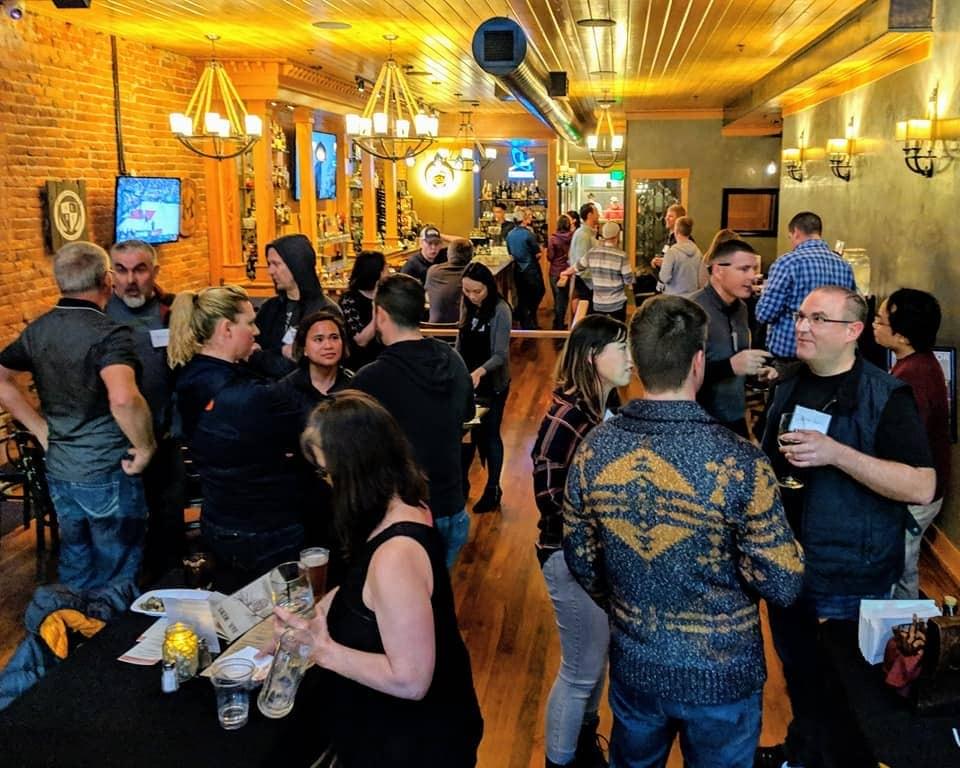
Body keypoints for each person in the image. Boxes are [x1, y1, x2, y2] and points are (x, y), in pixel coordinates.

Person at [565, 294, 804, 768]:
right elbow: (783, 582)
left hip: (636, 663)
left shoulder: (594, 449)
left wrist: (632, 599)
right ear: (698, 363)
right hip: (723, 673)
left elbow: (582, 559)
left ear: (638, 362)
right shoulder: (741, 462)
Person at [758, 286, 936, 768]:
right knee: (799, 674)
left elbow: (921, 485)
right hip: (787, 567)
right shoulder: (788, 384)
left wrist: (837, 454)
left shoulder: (886, 396)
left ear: (853, 331)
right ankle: (803, 751)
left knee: (846, 691)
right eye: (801, 316)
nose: (802, 326)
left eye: (818, 319)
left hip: (849, 572)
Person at [275, 391, 483, 766]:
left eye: (328, 472)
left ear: (356, 468)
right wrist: (320, 612)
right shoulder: (402, 505)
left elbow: (411, 680)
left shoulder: (395, 555)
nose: (327, 482)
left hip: (416, 746)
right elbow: (365, 590)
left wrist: (322, 650)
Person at [0, 241, 155, 590]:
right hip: (107, 468)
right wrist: (145, 447)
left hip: (60, 469)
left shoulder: (38, 330)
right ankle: (105, 625)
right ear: (107, 280)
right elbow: (123, 398)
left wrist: (40, 428)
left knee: (76, 562)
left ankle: (72, 621)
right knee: (115, 570)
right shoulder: (109, 334)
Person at [532, 315, 633, 768]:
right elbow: (548, 494)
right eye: (621, 348)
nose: (630, 358)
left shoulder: (603, 412)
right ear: (593, 357)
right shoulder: (569, 415)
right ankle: (561, 759)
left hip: (594, 558)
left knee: (594, 664)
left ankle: (584, 745)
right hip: (569, 556)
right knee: (579, 672)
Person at [169, 285, 310, 578]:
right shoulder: (249, 394)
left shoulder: (188, 377)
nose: (256, 331)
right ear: (226, 329)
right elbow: (302, 419)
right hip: (265, 528)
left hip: (218, 517)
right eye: (250, 322)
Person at [351, 274, 474, 567]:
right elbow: (467, 415)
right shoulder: (452, 359)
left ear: (380, 314)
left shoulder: (370, 379)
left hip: (402, 516)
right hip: (453, 505)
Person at [106, 239, 185, 580]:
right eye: (121, 270)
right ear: (110, 275)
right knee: (124, 532)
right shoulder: (100, 317)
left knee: (169, 528)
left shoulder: (173, 312)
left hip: (165, 441)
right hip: (117, 447)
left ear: (155, 271)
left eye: (139, 270)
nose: (130, 280)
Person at [873, 288, 950, 599]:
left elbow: (900, 443)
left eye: (880, 321)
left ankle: (903, 621)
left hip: (917, 492)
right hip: (922, 487)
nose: (873, 325)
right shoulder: (916, 363)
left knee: (899, 565)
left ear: (902, 336)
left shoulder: (913, 377)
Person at [689, 239, 773, 438]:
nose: (752, 276)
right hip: (700, 423)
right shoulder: (691, 310)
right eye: (744, 269)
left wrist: (756, 372)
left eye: (754, 269)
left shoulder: (742, 308)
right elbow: (680, 375)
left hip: (735, 417)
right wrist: (730, 367)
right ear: (718, 270)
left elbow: (735, 356)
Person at [755, 211, 856, 361]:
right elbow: (852, 309)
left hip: (791, 351)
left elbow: (765, 314)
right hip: (829, 353)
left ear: (796, 232)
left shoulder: (787, 263)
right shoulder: (844, 265)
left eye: (790, 237)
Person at [458, 262, 513, 514]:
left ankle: (493, 488)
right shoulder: (467, 304)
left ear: (488, 287)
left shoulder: (500, 310)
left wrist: (480, 371)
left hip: (492, 384)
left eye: (477, 291)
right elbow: (460, 339)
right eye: (466, 291)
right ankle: (462, 484)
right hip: (467, 382)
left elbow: (500, 354)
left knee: (490, 434)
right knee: (466, 432)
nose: (471, 296)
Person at [250, 233, 339, 378]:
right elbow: (250, 352)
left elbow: (305, 368)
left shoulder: (325, 310)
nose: (270, 271)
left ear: (296, 265)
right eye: (269, 264)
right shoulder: (269, 308)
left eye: (276, 264)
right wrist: (279, 353)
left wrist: (261, 356)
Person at [279, 308, 355, 423]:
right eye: (319, 339)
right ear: (304, 348)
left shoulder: (355, 385)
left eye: (334, 337)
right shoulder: (286, 389)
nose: (328, 346)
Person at [339, 250, 387, 370]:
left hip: (386, 358)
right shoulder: (349, 300)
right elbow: (361, 340)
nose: (388, 273)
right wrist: (376, 308)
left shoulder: (387, 294)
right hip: (360, 363)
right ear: (377, 273)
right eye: (386, 269)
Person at [579, 221, 633, 322]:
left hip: (598, 303)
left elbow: (578, 266)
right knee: (617, 329)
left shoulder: (592, 252)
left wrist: (565, 272)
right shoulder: (622, 256)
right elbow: (628, 279)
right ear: (617, 236)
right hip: (617, 303)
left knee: (600, 328)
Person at [506, 207, 546, 329]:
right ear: (523, 219)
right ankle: (530, 319)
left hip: (517, 270)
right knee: (538, 291)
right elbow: (538, 254)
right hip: (531, 269)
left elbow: (510, 252)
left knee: (522, 296)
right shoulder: (528, 234)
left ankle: (525, 321)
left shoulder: (510, 235)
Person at [426, 238, 473, 324]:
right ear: (471, 256)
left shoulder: (433, 271)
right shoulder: (475, 273)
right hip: (464, 328)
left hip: (435, 327)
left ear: (448, 254)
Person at [562, 203, 599, 312]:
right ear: (589, 215)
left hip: (586, 280)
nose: (598, 215)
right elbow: (581, 261)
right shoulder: (583, 235)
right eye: (596, 212)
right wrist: (592, 282)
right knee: (588, 312)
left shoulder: (586, 233)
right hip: (585, 281)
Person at [658, 215, 702, 295]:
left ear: (676, 230)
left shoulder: (672, 252)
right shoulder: (698, 252)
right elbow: (701, 277)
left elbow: (664, 277)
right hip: (692, 296)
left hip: (673, 297)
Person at [546, 214, 574, 330]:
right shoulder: (573, 237)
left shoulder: (553, 239)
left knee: (557, 299)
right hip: (567, 270)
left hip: (555, 271)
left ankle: (558, 323)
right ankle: (560, 322)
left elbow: (550, 256)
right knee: (564, 299)